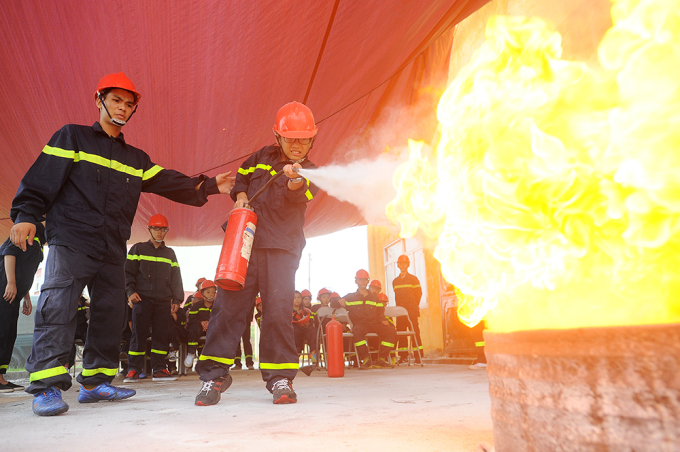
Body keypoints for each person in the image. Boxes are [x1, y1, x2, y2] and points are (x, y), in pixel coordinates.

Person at [9, 72, 234, 416]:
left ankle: (95, 383)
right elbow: (42, 176)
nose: (123, 108)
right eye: (116, 100)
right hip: (72, 239)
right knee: (58, 307)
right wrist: (26, 213)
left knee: (110, 314)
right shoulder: (73, 137)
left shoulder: (136, 158)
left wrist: (208, 186)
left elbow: (169, 181)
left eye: (130, 104)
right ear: (98, 101)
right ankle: (46, 386)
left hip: (113, 246)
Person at [194, 101, 319, 406]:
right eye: (292, 139)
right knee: (227, 308)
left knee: (277, 312)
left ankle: (279, 378)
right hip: (244, 245)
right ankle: (214, 376)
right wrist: (240, 198)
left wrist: (293, 178)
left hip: (281, 249)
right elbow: (242, 178)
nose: (298, 145)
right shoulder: (261, 156)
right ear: (278, 137)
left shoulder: (310, 171)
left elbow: (299, 192)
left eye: (305, 139)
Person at [124, 214, 183, 382]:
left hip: (164, 301)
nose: (160, 232)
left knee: (161, 335)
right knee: (139, 334)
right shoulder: (137, 249)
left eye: (163, 229)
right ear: (149, 229)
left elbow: (176, 278)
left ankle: (159, 369)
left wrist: (177, 299)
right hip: (142, 300)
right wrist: (130, 292)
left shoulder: (170, 254)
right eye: (156, 228)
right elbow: (128, 273)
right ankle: (133, 369)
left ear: (166, 231)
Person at [0, 221, 45, 393]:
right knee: (2, 330)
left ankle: (1, 377)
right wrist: (11, 282)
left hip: (15, 293)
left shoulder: (40, 241)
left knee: (9, 333)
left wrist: (25, 294)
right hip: (4, 287)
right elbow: (9, 253)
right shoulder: (27, 227)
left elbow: (27, 269)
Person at [337, 270, 397, 369]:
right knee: (356, 331)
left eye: (365, 280)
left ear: (368, 281)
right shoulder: (350, 297)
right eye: (360, 280)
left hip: (374, 324)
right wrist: (339, 300)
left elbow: (380, 311)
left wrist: (382, 320)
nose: (363, 282)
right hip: (360, 325)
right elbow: (334, 303)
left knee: (391, 331)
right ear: (356, 281)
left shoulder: (374, 298)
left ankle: (381, 359)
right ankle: (366, 359)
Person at [392, 255, 423, 364]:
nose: (403, 265)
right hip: (400, 312)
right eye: (401, 263)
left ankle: (418, 356)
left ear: (408, 265)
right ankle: (403, 356)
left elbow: (418, 294)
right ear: (398, 265)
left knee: (415, 333)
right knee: (401, 334)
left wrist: (413, 307)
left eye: (405, 263)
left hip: (411, 312)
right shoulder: (395, 281)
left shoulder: (414, 279)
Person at [184, 280, 217, 369]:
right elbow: (192, 319)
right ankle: (191, 353)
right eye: (208, 292)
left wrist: (210, 323)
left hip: (212, 330)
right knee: (194, 328)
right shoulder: (196, 306)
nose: (211, 294)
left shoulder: (217, 306)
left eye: (213, 292)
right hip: (198, 330)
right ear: (202, 293)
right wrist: (201, 322)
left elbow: (220, 319)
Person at [292, 291, 317, 361]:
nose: (297, 299)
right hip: (295, 330)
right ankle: (296, 354)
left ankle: (313, 353)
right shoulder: (288, 311)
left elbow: (311, 319)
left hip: (305, 330)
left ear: (301, 299)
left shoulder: (306, 310)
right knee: (295, 331)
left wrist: (308, 323)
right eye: (294, 298)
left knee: (313, 330)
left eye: (299, 297)